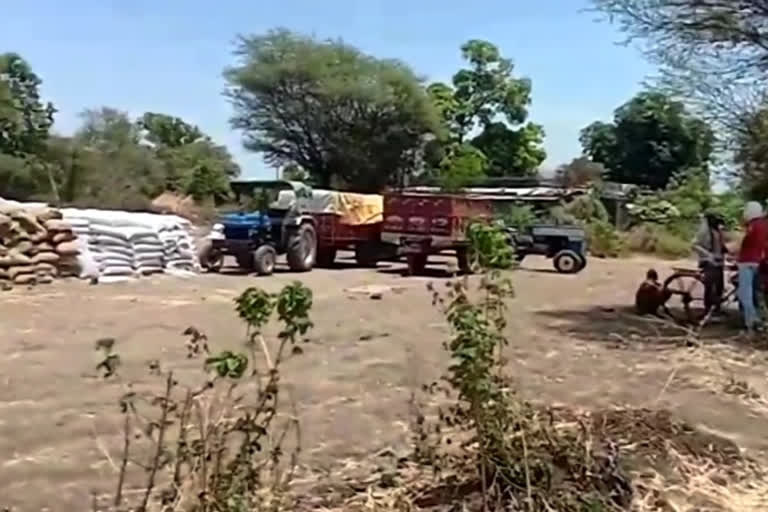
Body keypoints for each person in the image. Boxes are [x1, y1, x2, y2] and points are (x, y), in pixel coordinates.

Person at [737, 201, 768, 332]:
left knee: (745, 294)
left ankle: (751, 322)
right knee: (757, 293)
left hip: (746, 262)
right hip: (759, 262)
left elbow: (747, 244)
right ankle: (762, 319)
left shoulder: (752, 226)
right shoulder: (765, 225)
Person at [693, 212, 728, 314]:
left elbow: (721, 246)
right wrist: (708, 255)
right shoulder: (704, 231)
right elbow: (694, 245)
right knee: (710, 286)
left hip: (719, 262)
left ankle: (717, 308)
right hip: (709, 262)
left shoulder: (717, 231)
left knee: (719, 286)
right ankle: (708, 308)